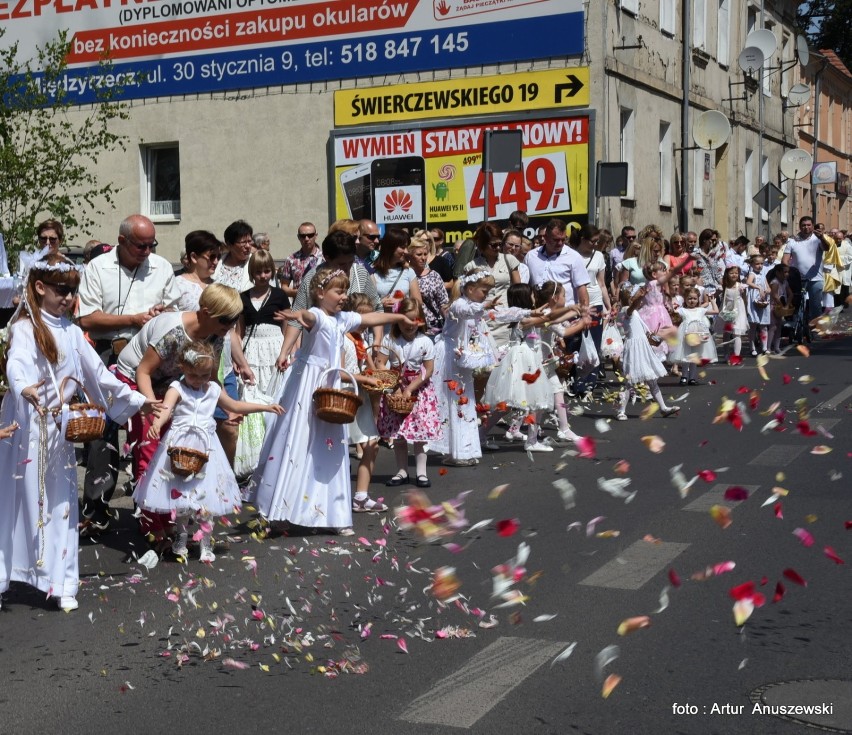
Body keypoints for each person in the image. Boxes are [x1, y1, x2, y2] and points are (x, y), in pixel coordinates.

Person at [0, 253, 149, 612]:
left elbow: (98, 373)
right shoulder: (25, 328)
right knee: (18, 501)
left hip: (59, 431)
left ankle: (60, 580)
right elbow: (17, 363)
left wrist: (136, 399)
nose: (68, 297)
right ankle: (7, 572)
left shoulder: (71, 331)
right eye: (61, 290)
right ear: (40, 287)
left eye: (73, 290)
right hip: (27, 428)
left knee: (61, 504)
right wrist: (23, 388)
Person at [250, 267, 417, 536]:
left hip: (332, 386)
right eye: (338, 292)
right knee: (298, 444)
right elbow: (307, 316)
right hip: (308, 387)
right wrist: (296, 315)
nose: (343, 297)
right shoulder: (318, 315)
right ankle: (281, 510)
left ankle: (333, 514)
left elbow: (370, 316)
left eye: (344, 292)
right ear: (320, 293)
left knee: (331, 450)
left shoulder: (342, 319)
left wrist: (398, 316)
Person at [115, 284, 242, 547]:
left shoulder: (216, 336)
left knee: (172, 451)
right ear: (206, 312)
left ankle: (169, 518)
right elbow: (143, 371)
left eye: (235, 320)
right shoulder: (173, 332)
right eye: (226, 320)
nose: (231, 325)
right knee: (149, 451)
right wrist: (151, 408)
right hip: (137, 381)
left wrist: (224, 410)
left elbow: (211, 380)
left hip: (171, 386)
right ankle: (151, 524)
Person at [77, 214, 179, 534]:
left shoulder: (162, 267)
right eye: (141, 245)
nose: (147, 251)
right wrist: (135, 319)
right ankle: (97, 507)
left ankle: (147, 505)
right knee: (101, 434)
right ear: (122, 241)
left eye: (152, 245)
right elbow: (87, 319)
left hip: (151, 358)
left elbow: (174, 311)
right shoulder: (97, 268)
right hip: (109, 351)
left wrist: (158, 318)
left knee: (147, 433)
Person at [134, 341, 282, 563]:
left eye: (205, 375)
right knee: (182, 498)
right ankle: (181, 539)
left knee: (206, 500)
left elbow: (234, 405)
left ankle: (205, 541)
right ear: (183, 368)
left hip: (207, 450)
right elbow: (165, 409)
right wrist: (157, 423)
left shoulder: (213, 388)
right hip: (180, 449)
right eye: (195, 376)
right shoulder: (177, 388)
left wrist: (265, 406)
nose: (200, 380)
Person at [429, 265, 500, 467]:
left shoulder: (471, 305)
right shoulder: (458, 305)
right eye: (484, 291)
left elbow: (497, 315)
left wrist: (524, 313)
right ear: (470, 289)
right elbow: (468, 311)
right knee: (454, 400)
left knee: (463, 399)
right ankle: (455, 451)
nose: (487, 295)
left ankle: (462, 449)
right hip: (450, 355)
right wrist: (485, 305)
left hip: (460, 356)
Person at [230, 250, 290, 477]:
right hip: (251, 351)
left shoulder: (280, 296)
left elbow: (288, 327)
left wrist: (287, 352)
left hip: (274, 349)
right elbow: (239, 330)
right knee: (252, 399)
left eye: (267, 271)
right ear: (252, 272)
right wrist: (239, 358)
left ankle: (275, 457)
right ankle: (255, 456)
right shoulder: (242, 297)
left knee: (274, 400)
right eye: (258, 271)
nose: (263, 276)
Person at [376, 298, 442, 489]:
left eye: (414, 321)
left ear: (420, 320)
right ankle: (402, 470)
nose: (409, 326)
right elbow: (381, 362)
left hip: (418, 390)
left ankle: (421, 472)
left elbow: (428, 370)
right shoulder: (391, 340)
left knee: (419, 433)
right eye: (405, 321)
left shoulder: (425, 342)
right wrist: (394, 386)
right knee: (399, 434)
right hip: (396, 387)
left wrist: (410, 388)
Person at [341, 293, 385, 512]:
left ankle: (361, 495)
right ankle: (337, 497)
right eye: (363, 318)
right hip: (344, 397)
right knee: (339, 449)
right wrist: (364, 378)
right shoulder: (343, 339)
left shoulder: (361, 340)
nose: (367, 323)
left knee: (372, 444)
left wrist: (382, 376)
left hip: (362, 397)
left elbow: (370, 367)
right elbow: (339, 373)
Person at [615, 284, 681, 421]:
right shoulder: (626, 310)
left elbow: (641, 327)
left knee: (651, 380)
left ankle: (663, 408)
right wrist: (640, 297)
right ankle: (621, 410)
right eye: (636, 297)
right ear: (630, 298)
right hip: (633, 349)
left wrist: (653, 337)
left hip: (643, 347)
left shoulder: (635, 312)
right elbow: (632, 308)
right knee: (629, 382)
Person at [569, 224, 611, 395]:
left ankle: (590, 381)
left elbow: (601, 283)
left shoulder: (599, 256)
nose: (595, 244)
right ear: (583, 239)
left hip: (595, 302)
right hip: (576, 302)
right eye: (592, 241)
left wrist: (608, 305)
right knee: (575, 342)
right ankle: (574, 380)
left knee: (594, 341)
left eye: (597, 241)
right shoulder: (571, 254)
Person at [471, 222, 521, 349]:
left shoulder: (509, 260)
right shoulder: (472, 266)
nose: (498, 248)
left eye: (500, 244)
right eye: (493, 245)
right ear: (482, 244)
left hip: (505, 322)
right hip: (483, 323)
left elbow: (519, 291)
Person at [525, 218, 590, 310]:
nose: (560, 243)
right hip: (538, 314)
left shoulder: (574, 257)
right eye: (556, 240)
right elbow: (526, 286)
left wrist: (584, 313)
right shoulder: (531, 256)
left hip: (565, 314)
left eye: (563, 239)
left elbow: (581, 288)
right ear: (546, 237)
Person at [670, 286, 718, 384]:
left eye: (695, 298)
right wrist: (671, 306)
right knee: (686, 356)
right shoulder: (682, 310)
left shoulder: (700, 310)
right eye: (689, 298)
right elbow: (672, 313)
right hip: (685, 335)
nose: (692, 301)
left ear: (698, 299)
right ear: (685, 299)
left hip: (698, 335)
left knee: (695, 357)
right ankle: (684, 376)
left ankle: (692, 377)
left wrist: (712, 301)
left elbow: (716, 311)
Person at [408, 231, 448, 337]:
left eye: (425, 254)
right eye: (419, 254)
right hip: (411, 327)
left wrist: (450, 320)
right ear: (410, 255)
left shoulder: (434, 275)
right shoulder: (405, 275)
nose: (423, 258)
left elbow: (443, 303)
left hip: (434, 327)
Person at [372, 228, 422, 311]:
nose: (406, 251)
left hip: (402, 322)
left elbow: (418, 302)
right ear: (390, 247)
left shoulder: (409, 272)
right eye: (402, 247)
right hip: (381, 322)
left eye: (406, 247)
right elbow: (366, 304)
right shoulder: (372, 272)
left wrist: (403, 302)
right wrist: (380, 304)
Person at [174, 230, 221, 311]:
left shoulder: (218, 285)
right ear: (194, 257)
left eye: (219, 257)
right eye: (212, 257)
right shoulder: (177, 285)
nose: (216, 262)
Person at [277, 223, 322, 299]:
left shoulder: (325, 258)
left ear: (316, 236)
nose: (306, 239)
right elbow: (284, 286)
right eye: (303, 236)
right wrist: (295, 293)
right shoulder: (291, 259)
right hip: (299, 305)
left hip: (321, 305)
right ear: (298, 237)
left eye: (310, 235)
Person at [714, 266, 748, 361]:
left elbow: (744, 299)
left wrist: (746, 309)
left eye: (736, 273)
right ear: (727, 274)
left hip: (738, 310)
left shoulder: (740, 286)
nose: (734, 275)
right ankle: (726, 354)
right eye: (731, 273)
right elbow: (714, 296)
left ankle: (736, 356)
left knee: (737, 333)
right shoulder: (724, 286)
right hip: (727, 310)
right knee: (727, 332)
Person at [745, 254, 771, 355]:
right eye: (757, 264)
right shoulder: (752, 274)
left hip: (763, 299)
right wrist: (758, 287)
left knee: (763, 326)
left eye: (761, 264)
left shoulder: (763, 275)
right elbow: (748, 282)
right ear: (752, 264)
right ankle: (752, 347)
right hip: (754, 300)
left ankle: (764, 346)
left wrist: (767, 290)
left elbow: (768, 287)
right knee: (753, 325)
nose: (760, 266)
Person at [768, 264, 793, 353]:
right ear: (778, 273)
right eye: (784, 272)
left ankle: (776, 347)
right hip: (773, 306)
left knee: (779, 327)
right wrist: (782, 305)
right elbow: (774, 295)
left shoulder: (785, 282)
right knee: (773, 327)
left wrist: (787, 305)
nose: (786, 274)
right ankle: (768, 347)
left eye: (787, 272)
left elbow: (790, 294)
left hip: (780, 307)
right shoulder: (775, 282)